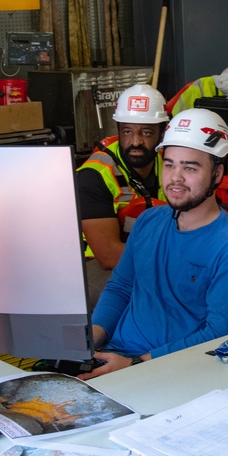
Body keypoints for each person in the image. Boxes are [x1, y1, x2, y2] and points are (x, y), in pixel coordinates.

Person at [78, 108, 228, 378]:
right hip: (114, 356)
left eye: (190, 167)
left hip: (172, 372)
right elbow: (121, 288)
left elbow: (220, 335)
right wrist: (91, 340)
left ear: (218, 173)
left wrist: (138, 364)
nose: (175, 177)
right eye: (169, 164)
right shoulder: (148, 221)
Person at [77, 84, 169, 308]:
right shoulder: (94, 175)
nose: (136, 142)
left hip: (147, 253)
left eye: (146, 132)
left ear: (162, 132)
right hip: (91, 264)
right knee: (144, 297)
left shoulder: (170, 163)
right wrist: (175, 258)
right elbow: (108, 256)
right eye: (127, 131)